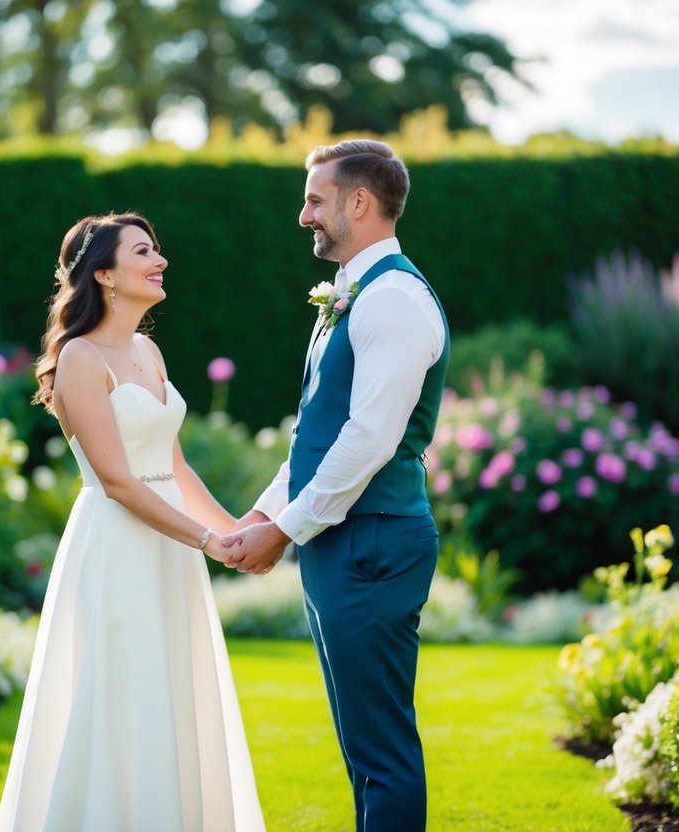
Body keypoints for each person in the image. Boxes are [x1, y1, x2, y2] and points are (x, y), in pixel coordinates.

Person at [0, 212, 265, 832]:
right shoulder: (81, 359)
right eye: (144, 251)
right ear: (107, 275)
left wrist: (236, 530)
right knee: (122, 696)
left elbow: (172, 463)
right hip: (119, 546)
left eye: (158, 249)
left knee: (171, 694)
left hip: (171, 547)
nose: (159, 260)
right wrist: (207, 541)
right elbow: (118, 481)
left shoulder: (147, 348)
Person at [225, 139, 450, 831]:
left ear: (360, 202)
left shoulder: (394, 301)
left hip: (373, 543)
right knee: (361, 747)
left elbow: (368, 441)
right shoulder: (353, 295)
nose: (303, 216)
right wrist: (260, 515)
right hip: (344, 543)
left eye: (315, 200)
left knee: (379, 749)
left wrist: (284, 531)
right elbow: (316, 435)